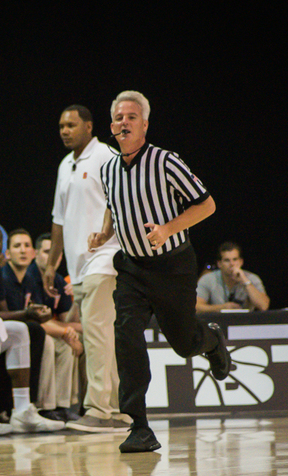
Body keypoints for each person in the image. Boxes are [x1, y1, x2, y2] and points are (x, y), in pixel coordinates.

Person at [88, 90, 232, 453]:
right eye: (119, 117)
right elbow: (113, 205)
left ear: (145, 125)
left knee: (184, 344)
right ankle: (138, 426)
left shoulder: (166, 162)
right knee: (126, 335)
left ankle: (211, 340)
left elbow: (208, 204)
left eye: (132, 117)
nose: (124, 122)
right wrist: (105, 232)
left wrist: (168, 228)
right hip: (132, 268)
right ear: (111, 126)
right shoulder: (107, 169)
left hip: (172, 267)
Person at [42, 104, 128, 433]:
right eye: (61, 126)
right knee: (107, 336)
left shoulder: (106, 157)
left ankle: (98, 409)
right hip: (76, 266)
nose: (64, 130)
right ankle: (121, 410)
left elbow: (119, 204)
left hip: (105, 259)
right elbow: (58, 219)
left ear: (89, 127)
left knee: (96, 334)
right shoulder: (66, 164)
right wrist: (52, 265)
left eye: (71, 125)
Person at [0, 224, 65, 433]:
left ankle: (23, 410)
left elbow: (3, 310)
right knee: (19, 328)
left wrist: (29, 314)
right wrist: (26, 314)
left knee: (24, 330)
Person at [3, 229, 82, 422]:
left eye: (26, 246)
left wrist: (78, 300)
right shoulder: (9, 276)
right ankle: (43, 406)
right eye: (17, 246)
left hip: (32, 330)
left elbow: (61, 320)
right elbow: (37, 320)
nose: (23, 251)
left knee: (64, 345)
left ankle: (61, 405)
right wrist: (66, 331)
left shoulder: (32, 279)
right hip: (10, 332)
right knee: (47, 340)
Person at [196, 242, 270, 312]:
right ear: (219, 264)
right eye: (227, 260)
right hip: (217, 322)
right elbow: (196, 307)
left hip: (245, 322)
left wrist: (245, 281)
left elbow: (264, 306)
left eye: (235, 259)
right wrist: (221, 308)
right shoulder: (208, 279)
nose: (232, 264)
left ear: (241, 261)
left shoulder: (251, 278)